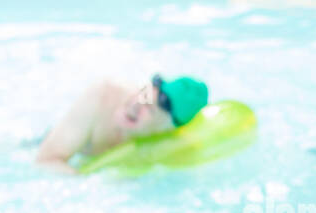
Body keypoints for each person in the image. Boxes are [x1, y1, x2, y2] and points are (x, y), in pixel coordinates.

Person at [35, 74, 208, 173]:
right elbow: (46, 161)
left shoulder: (173, 145)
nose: (136, 105)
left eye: (150, 109)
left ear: (166, 128)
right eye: (143, 94)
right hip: (41, 145)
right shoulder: (102, 97)